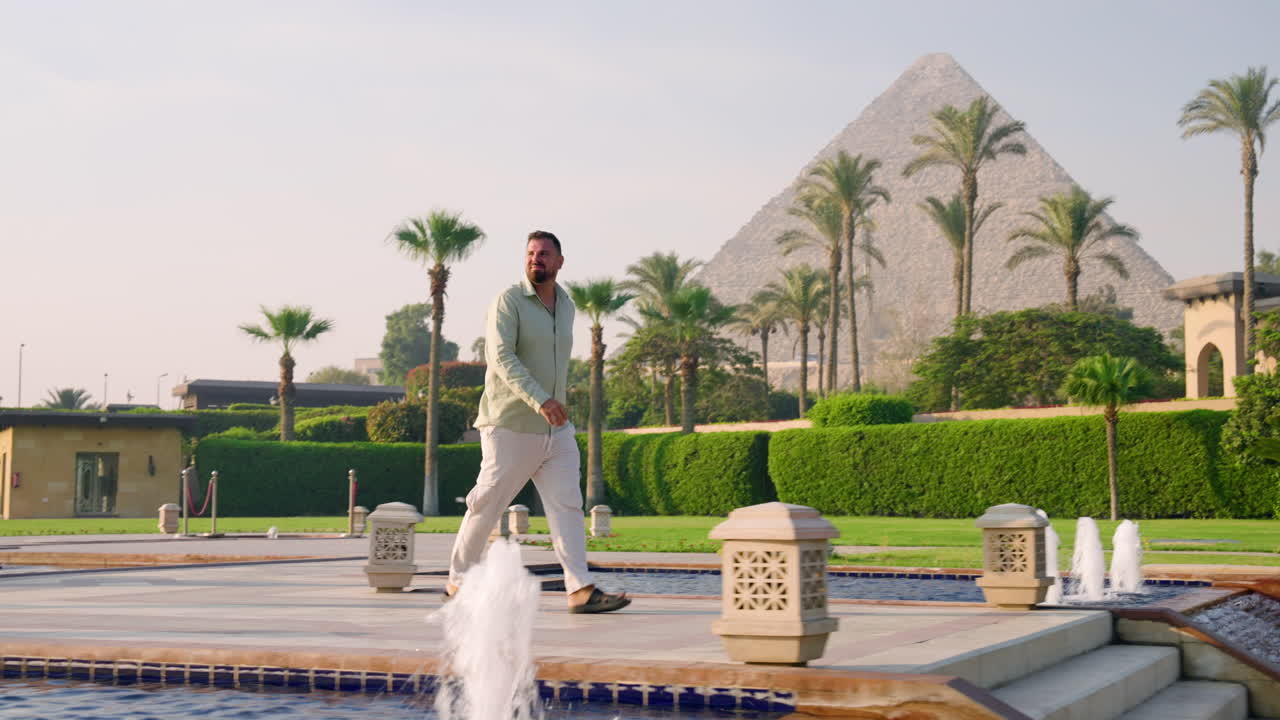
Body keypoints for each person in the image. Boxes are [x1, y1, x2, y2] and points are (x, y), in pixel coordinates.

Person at [444, 230, 629, 614]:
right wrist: (540, 399)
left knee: (568, 506)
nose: (536, 259)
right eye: (530, 253)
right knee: (487, 504)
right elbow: (501, 358)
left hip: (556, 429)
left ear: (560, 262)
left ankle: (580, 588)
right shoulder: (508, 302)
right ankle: (459, 581)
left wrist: (555, 405)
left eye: (544, 254)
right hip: (510, 424)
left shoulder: (567, 305)